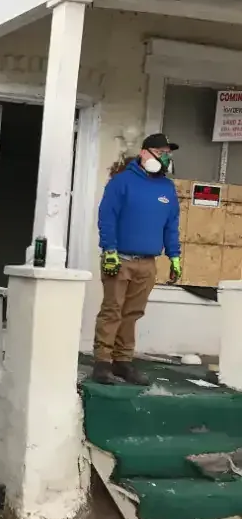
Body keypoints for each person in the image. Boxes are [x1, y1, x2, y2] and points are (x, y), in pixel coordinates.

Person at [92, 133, 182, 385]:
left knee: (132, 313)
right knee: (112, 310)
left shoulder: (166, 187)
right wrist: (109, 250)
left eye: (168, 154)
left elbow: (171, 224)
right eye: (161, 152)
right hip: (119, 259)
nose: (165, 158)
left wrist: (174, 256)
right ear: (145, 153)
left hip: (147, 262)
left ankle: (123, 362)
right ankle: (102, 363)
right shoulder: (122, 183)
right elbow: (107, 217)